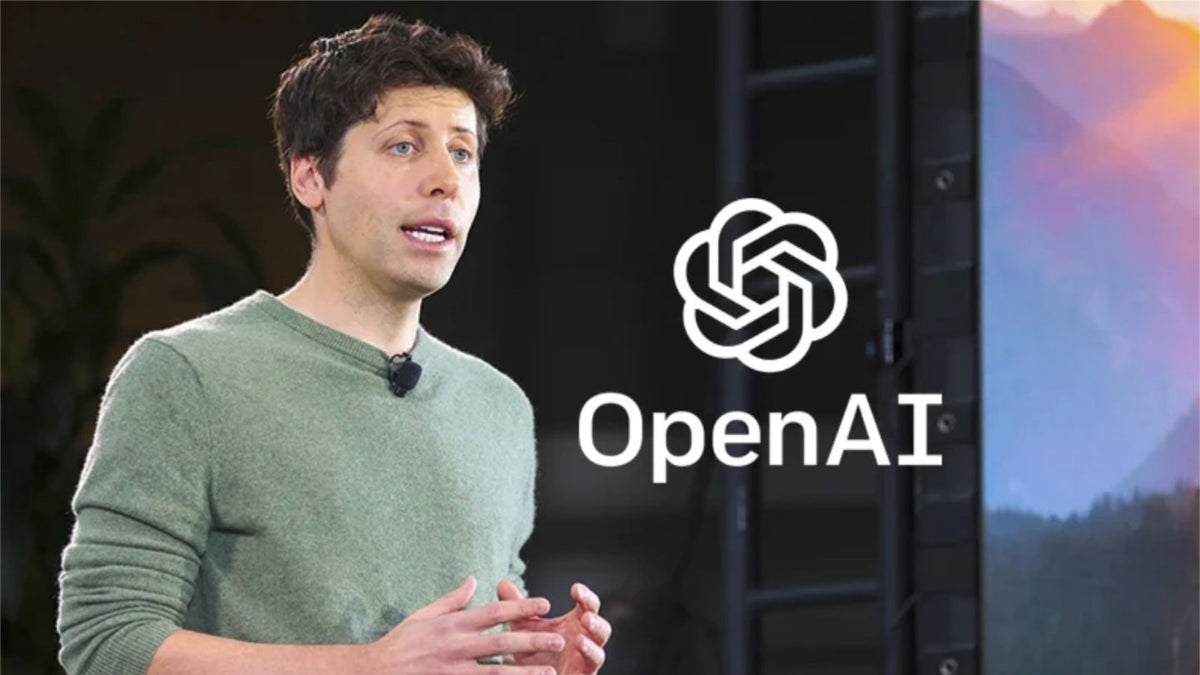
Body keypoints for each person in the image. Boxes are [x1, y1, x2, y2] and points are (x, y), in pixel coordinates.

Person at [56, 14, 611, 675]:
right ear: (310, 177)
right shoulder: (187, 373)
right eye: (404, 147)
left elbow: (458, 650)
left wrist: (530, 659)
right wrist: (364, 665)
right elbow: (106, 642)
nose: (446, 179)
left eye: (463, 153)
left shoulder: (499, 406)